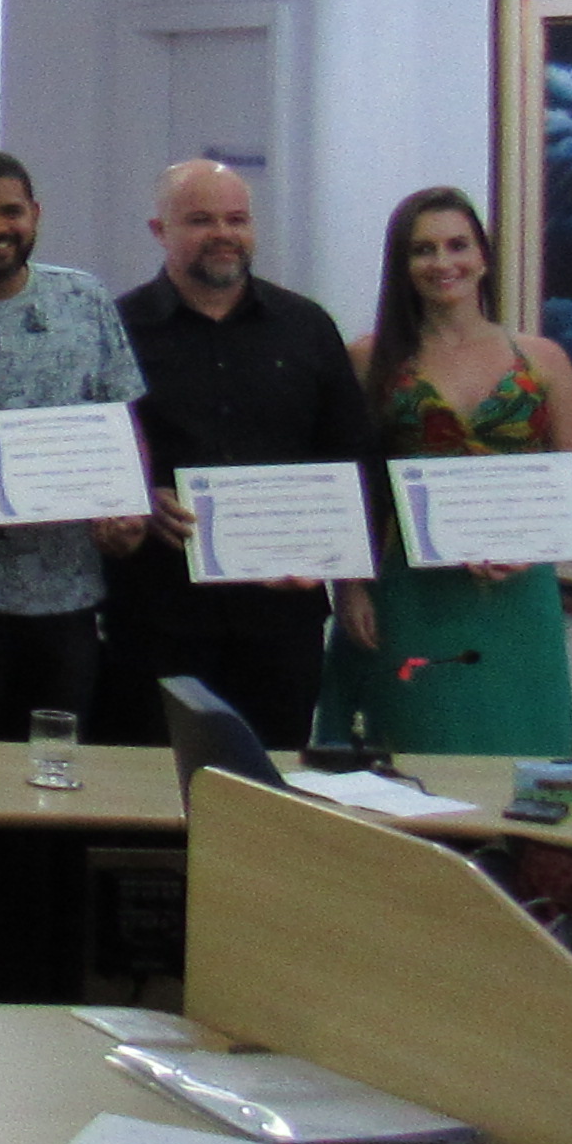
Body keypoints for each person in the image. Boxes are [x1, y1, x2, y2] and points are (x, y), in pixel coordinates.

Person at [112, 162, 377, 749]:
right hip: (159, 613)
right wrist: (139, 498)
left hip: (281, 618)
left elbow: (349, 457)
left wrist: (348, 575)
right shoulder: (116, 329)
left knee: (272, 783)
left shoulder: (307, 327)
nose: (223, 234)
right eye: (200, 220)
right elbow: (96, 458)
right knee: (152, 783)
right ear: (159, 230)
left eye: (236, 219)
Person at [330, 187, 572, 755]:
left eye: (457, 245)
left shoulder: (543, 360)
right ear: (402, 265)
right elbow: (350, 488)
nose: (443, 262)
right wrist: (349, 587)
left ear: (484, 257)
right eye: (423, 250)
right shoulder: (369, 360)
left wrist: (526, 547)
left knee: (524, 751)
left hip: (517, 593)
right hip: (411, 592)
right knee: (418, 750)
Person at [0, 149, 147, 743]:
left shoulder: (84, 300)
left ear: (35, 214)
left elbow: (123, 423)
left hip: (71, 596)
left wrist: (129, 510)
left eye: (10, 211)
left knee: (59, 772)